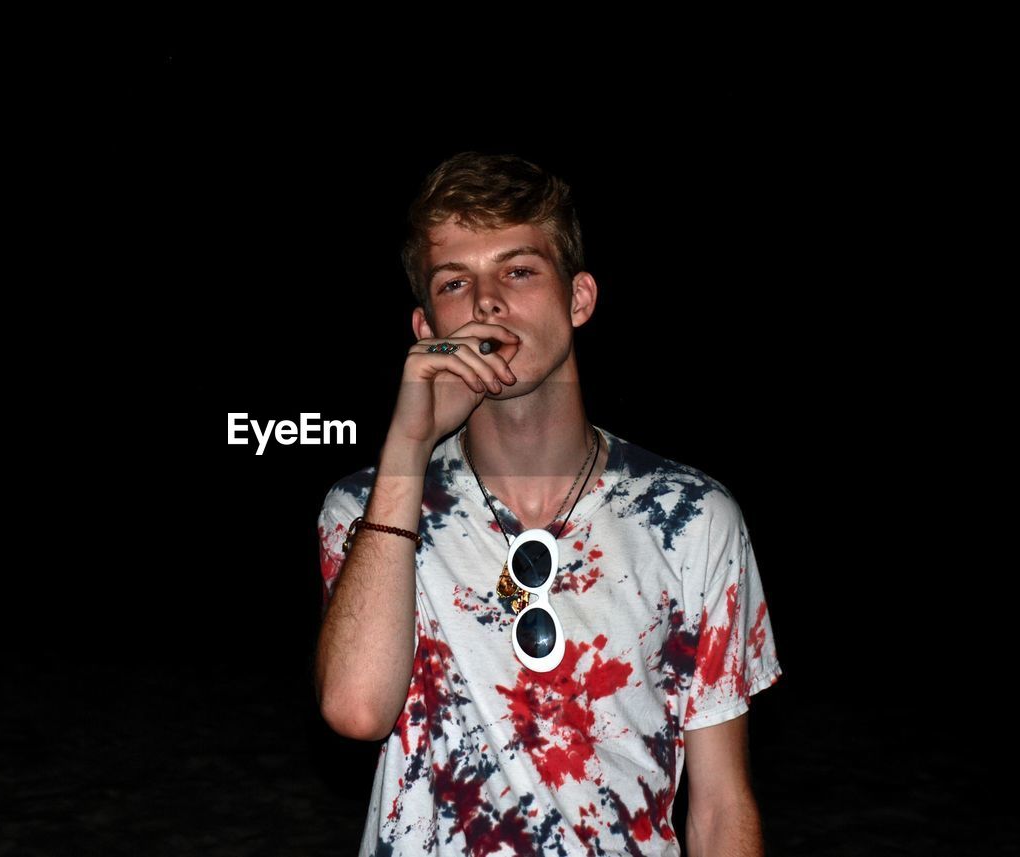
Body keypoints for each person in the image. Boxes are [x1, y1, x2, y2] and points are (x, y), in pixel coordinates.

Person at [313, 151, 782, 856]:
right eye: (454, 281)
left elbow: (719, 805)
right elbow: (355, 710)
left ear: (580, 298)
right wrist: (407, 448)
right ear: (423, 325)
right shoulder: (367, 505)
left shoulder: (690, 516)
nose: (487, 302)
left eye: (519, 270)